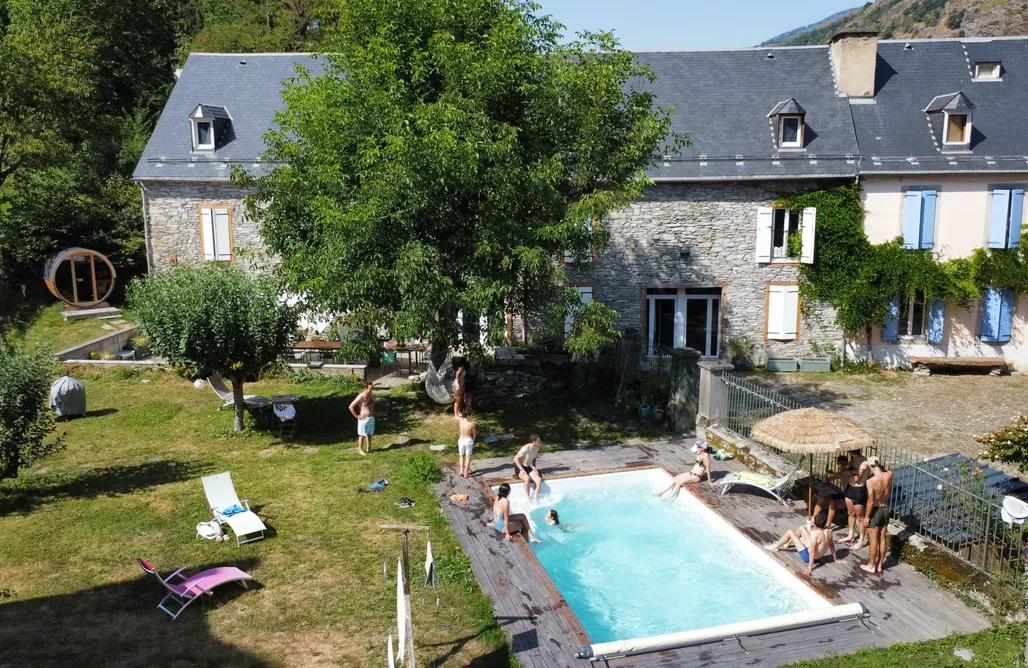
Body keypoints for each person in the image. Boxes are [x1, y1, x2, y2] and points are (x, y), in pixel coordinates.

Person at [765, 514, 839, 576]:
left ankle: (775, 546)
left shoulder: (814, 534)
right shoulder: (829, 531)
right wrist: (835, 559)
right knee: (801, 528)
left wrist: (809, 568)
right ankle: (787, 543)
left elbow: (812, 552)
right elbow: (831, 545)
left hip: (808, 557)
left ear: (815, 524)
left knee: (790, 532)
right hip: (818, 556)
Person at [861, 457, 894, 575]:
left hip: (875, 510)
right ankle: (879, 565)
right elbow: (886, 471)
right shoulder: (890, 475)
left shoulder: (871, 482)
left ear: (870, 466)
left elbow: (870, 502)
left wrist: (866, 517)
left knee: (873, 540)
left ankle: (871, 566)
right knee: (883, 538)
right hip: (886, 508)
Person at [814, 455, 852, 529]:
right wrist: (826, 473)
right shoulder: (840, 473)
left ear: (846, 464)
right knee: (821, 498)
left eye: (843, 465)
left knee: (832, 503)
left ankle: (828, 525)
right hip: (843, 494)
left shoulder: (849, 473)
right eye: (839, 465)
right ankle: (814, 520)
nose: (841, 467)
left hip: (849, 496)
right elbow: (826, 481)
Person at [842, 449, 870, 548]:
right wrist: (851, 469)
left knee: (860, 517)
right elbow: (846, 471)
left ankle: (861, 540)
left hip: (859, 490)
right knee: (850, 513)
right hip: (850, 488)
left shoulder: (864, 463)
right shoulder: (853, 461)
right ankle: (851, 534)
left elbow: (856, 478)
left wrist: (850, 470)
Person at [348, 381, 376, 456]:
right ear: (365, 388)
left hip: (370, 418)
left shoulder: (371, 394)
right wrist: (357, 416)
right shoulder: (361, 396)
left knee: (369, 433)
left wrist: (372, 412)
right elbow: (351, 406)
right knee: (362, 435)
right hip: (363, 419)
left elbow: (373, 403)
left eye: (372, 388)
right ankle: (360, 449)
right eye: (370, 389)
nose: (371, 390)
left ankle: (369, 448)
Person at [514, 434, 544, 501]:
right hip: (519, 467)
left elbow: (534, 457)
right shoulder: (525, 449)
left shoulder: (536, 448)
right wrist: (521, 469)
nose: (540, 442)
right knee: (527, 479)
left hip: (528, 467)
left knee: (538, 480)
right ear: (533, 441)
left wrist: (533, 466)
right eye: (539, 441)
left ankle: (535, 497)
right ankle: (528, 497)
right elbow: (515, 458)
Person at [457, 408, 477, 479]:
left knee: (461, 455)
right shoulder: (471, 424)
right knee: (468, 457)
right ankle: (466, 473)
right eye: (471, 415)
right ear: (468, 415)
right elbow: (474, 434)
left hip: (461, 439)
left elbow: (458, 416)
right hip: (468, 440)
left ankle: (461, 470)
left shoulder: (460, 421)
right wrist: (473, 440)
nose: (472, 416)